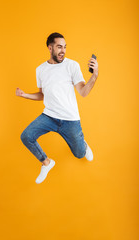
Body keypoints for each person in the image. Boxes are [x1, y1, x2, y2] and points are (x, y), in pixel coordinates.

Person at [16, 32, 99, 184]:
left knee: (80, 154)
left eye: (65, 47)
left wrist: (94, 76)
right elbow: (42, 95)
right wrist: (25, 95)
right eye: (59, 47)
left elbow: (83, 92)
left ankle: (83, 144)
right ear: (50, 48)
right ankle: (46, 163)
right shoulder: (40, 70)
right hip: (49, 116)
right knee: (26, 136)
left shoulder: (72, 65)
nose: (63, 51)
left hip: (70, 120)